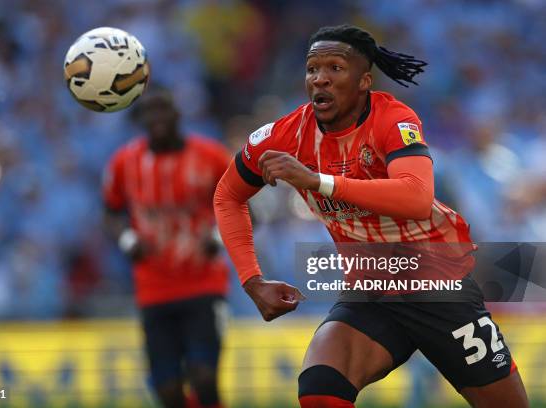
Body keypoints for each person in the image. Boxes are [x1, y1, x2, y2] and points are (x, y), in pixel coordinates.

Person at [213, 25, 529, 408]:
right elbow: (227, 196)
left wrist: (319, 181)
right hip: (371, 289)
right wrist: (251, 279)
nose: (320, 79)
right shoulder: (283, 136)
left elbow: (415, 196)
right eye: (312, 69)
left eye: (335, 68)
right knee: (319, 387)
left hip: (439, 286)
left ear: (364, 81)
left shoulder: (394, 119)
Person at [103, 88, 229, 408]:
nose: (156, 118)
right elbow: (111, 211)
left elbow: (242, 206)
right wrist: (126, 239)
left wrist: (216, 237)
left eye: (163, 110)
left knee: (204, 377)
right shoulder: (125, 163)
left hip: (204, 282)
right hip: (154, 288)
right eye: (149, 112)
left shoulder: (211, 156)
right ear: (141, 120)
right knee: (168, 390)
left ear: (177, 114)